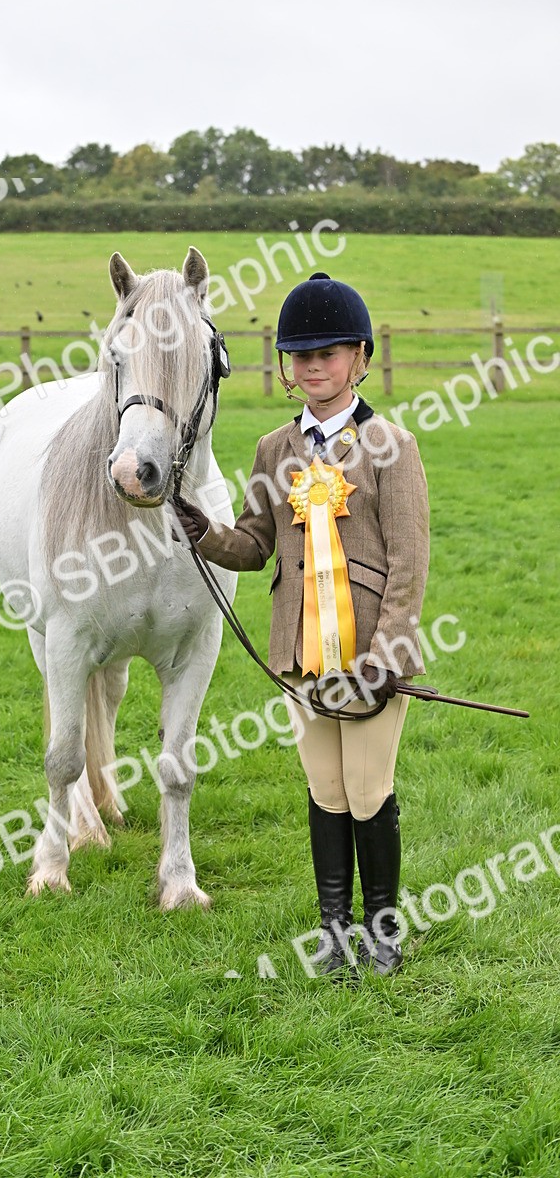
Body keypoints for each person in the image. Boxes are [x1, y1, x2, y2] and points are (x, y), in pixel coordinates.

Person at [173, 272, 430, 978]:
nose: (314, 366)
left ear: (360, 357)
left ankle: (382, 929)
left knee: (368, 791)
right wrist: (206, 532)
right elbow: (256, 544)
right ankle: (334, 928)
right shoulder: (273, 451)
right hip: (300, 653)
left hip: (370, 655)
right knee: (325, 792)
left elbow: (409, 565)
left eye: (328, 353)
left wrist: (386, 655)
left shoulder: (393, 446)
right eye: (301, 355)